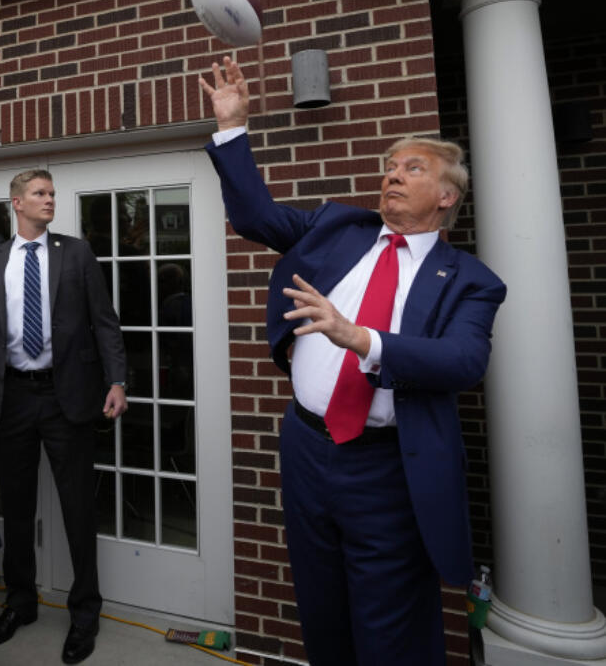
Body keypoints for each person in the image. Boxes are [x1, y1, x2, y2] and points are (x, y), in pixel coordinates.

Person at [198, 57, 506, 665]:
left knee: (390, 627)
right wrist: (233, 127)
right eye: (389, 167)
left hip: (388, 469)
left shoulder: (470, 280)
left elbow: (464, 360)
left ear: (446, 195)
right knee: (321, 609)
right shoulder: (338, 228)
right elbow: (257, 217)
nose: (392, 176)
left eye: (411, 168)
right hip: (307, 449)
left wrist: (362, 338)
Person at [0, 168, 128, 665]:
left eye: (52, 193)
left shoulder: (75, 253)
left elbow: (105, 321)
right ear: (16, 203)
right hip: (10, 399)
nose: (49, 200)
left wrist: (117, 380)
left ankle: (85, 612)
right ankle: (20, 603)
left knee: (78, 507)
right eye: (39, 193)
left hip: (67, 398)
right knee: (15, 508)